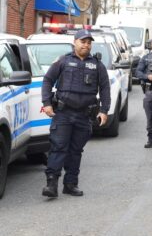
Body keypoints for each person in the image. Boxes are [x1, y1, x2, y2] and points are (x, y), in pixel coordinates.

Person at [41, 29, 111, 198]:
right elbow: (48, 80)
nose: (86, 45)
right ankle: (52, 184)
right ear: (75, 42)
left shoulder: (97, 65)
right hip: (63, 113)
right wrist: (47, 103)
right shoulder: (63, 61)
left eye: (89, 42)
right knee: (58, 148)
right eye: (83, 42)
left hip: (84, 116)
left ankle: (70, 184)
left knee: (76, 151)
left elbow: (105, 87)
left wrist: (104, 110)